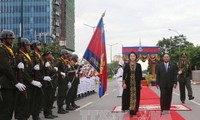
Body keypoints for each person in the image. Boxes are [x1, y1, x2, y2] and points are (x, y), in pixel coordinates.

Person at [0, 30, 26, 120]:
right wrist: (16, 82)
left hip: (10, 83)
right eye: (9, 39)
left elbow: (11, 65)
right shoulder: (1, 50)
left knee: (10, 109)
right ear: (4, 39)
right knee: (5, 110)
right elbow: (5, 67)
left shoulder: (9, 50)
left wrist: (17, 66)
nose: (11, 40)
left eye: (12, 39)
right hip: (5, 83)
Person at [14, 38, 42, 120]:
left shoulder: (28, 56)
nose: (29, 46)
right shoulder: (18, 56)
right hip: (23, 82)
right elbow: (23, 72)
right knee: (22, 104)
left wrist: (35, 69)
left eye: (29, 45)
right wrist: (31, 81)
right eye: (27, 45)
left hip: (29, 82)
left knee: (28, 103)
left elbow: (29, 69)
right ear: (22, 46)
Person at [122, 52, 142, 116]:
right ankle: (128, 109)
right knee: (127, 97)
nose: (132, 57)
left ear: (135, 57)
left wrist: (141, 83)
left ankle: (134, 111)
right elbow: (124, 75)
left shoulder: (138, 65)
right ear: (129, 57)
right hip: (128, 84)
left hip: (136, 84)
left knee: (136, 97)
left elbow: (140, 75)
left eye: (133, 56)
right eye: (131, 56)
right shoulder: (126, 65)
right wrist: (123, 83)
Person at [42, 50, 58, 119]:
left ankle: (50, 112)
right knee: (47, 99)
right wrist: (54, 69)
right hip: (47, 83)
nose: (51, 56)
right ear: (46, 56)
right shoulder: (45, 63)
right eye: (50, 55)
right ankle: (47, 113)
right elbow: (50, 71)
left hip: (52, 82)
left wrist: (54, 69)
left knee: (51, 98)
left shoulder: (51, 62)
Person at [30, 40, 43, 120]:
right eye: (39, 45)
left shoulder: (39, 55)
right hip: (35, 80)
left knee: (39, 98)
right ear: (35, 46)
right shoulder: (32, 55)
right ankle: (35, 115)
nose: (40, 46)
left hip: (39, 78)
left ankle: (36, 114)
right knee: (34, 99)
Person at [56, 49, 70, 114]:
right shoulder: (59, 61)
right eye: (66, 54)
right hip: (61, 80)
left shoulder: (65, 61)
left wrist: (68, 81)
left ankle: (62, 107)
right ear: (62, 55)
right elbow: (55, 69)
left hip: (65, 80)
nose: (67, 55)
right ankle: (60, 108)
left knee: (64, 94)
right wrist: (60, 73)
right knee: (61, 94)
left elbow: (67, 71)